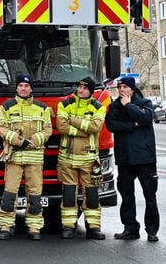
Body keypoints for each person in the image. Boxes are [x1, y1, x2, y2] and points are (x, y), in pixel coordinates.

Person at [0, 74, 52, 240]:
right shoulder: (7, 107)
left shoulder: (43, 108)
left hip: (34, 158)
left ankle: (34, 228)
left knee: (35, 195)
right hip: (14, 157)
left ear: (31, 88)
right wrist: (20, 142)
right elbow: (2, 128)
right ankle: (6, 227)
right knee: (9, 194)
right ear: (17, 88)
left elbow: (47, 130)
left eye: (26, 86)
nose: (23, 88)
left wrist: (33, 141)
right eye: (20, 86)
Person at [104, 76, 159, 241]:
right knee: (126, 195)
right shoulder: (114, 106)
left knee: (150, 195)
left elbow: (146, 118)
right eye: (120, 87)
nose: (121, 90)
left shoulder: (144, 103)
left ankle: (152, 230)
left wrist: (129, 106)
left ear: (132, 89)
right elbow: (111, 125)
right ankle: (130, 228)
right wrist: (130, 125)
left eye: (125, 87)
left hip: (145, 158)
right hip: (125, 158)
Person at [56, 76, 107, 239]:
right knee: (69, 195)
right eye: (80, 87)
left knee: (92, 195)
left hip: (89, 159)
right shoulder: (64, 104)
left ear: (90, 91)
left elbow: (96, 127)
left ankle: (93, 228)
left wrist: (72, 119)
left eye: (85, 88)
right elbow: (61, 127)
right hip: (67, 157)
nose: (81, 90)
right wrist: (83, 129)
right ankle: (68, 227)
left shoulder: (99, 107)